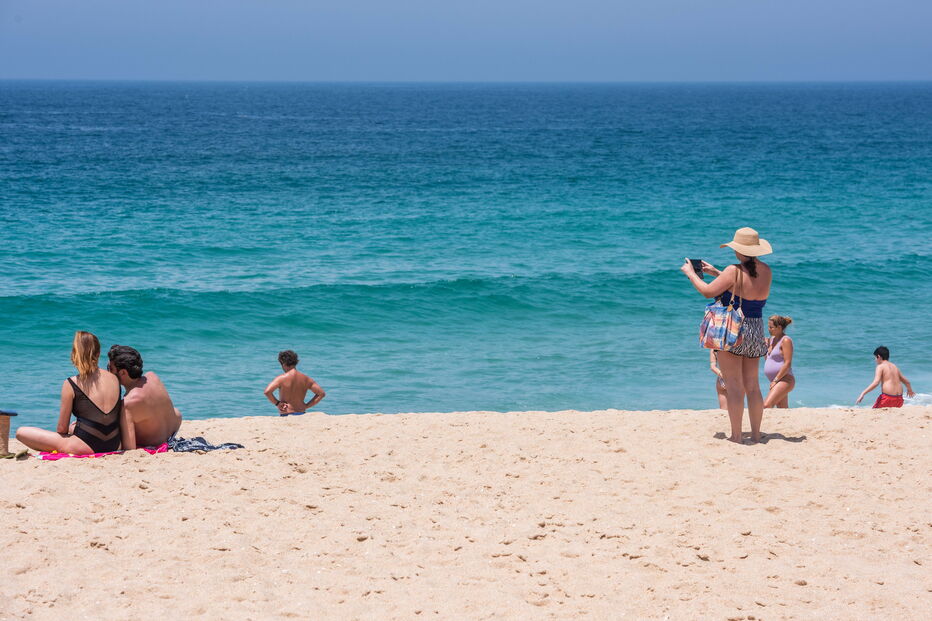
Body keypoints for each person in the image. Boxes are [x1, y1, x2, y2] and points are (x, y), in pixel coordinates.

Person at [682, 227, 773, 444]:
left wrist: (691, 274)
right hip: (755, 329)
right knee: (753, 385)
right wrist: (716, 272)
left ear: (737, 250)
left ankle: (736, 436)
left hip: (734, 329)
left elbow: (707, 291)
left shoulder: (733, 270)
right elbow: (744, 287)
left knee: (733, 385)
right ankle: (757, 434)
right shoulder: (767, 270)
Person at [16, 331, 128, 455]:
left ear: (75, 354)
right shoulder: (114, 379)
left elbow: (62, 429)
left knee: (21, 432)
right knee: (74, 427)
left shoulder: (71, 383)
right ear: (98, 353)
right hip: (114, 443)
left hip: (85, 446)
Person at [107, 345, 183, 448]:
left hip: (155, 442)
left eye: (110, 368)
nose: (108, 372)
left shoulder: (128, 403)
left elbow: (130, 447)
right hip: (171, 433)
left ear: (123, 372)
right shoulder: (152, 376)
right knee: (175, 411)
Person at [263, 350, 326, 415]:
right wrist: (306, 406)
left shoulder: (281, 378)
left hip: (286, 412)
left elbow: (267, 392)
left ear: (283, 363)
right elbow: (321, 394)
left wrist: (277, 403)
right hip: (301, 413)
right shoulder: (306, 379)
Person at [763, 315, 795, 408]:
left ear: (779, 328)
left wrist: (776, 380)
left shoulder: (785, 340)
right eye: (768, 326)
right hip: (776, 380)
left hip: (785, 379)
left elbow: (787, 363)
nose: (768, 329)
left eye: (771, 327)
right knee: (782, 409)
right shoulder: (770, 340)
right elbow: (769, 360)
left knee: (766, 405)